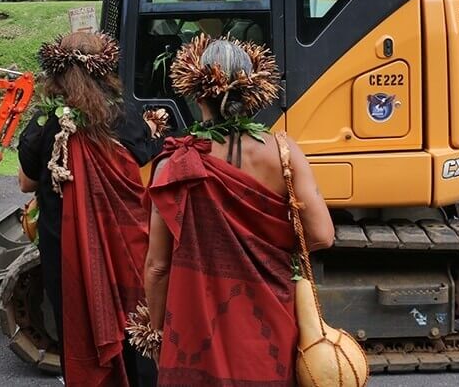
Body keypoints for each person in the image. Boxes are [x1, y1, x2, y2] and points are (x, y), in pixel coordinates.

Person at [134, 35, 334, 386]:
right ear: (254, 91)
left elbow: (157, 266)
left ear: (197, 95)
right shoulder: (284, 153)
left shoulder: (176, 164)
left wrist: (157, 327)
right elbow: (322, 236)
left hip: (196, 326)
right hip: (268, 318)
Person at [17, 31, 163, 386]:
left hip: (68, 253)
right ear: (105, 70)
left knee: (76, 320)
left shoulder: (43, 123)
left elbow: (25, 183)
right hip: (127, 248)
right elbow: (146, 168)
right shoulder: (126, 118)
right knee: (136, 326)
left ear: (56, 74)